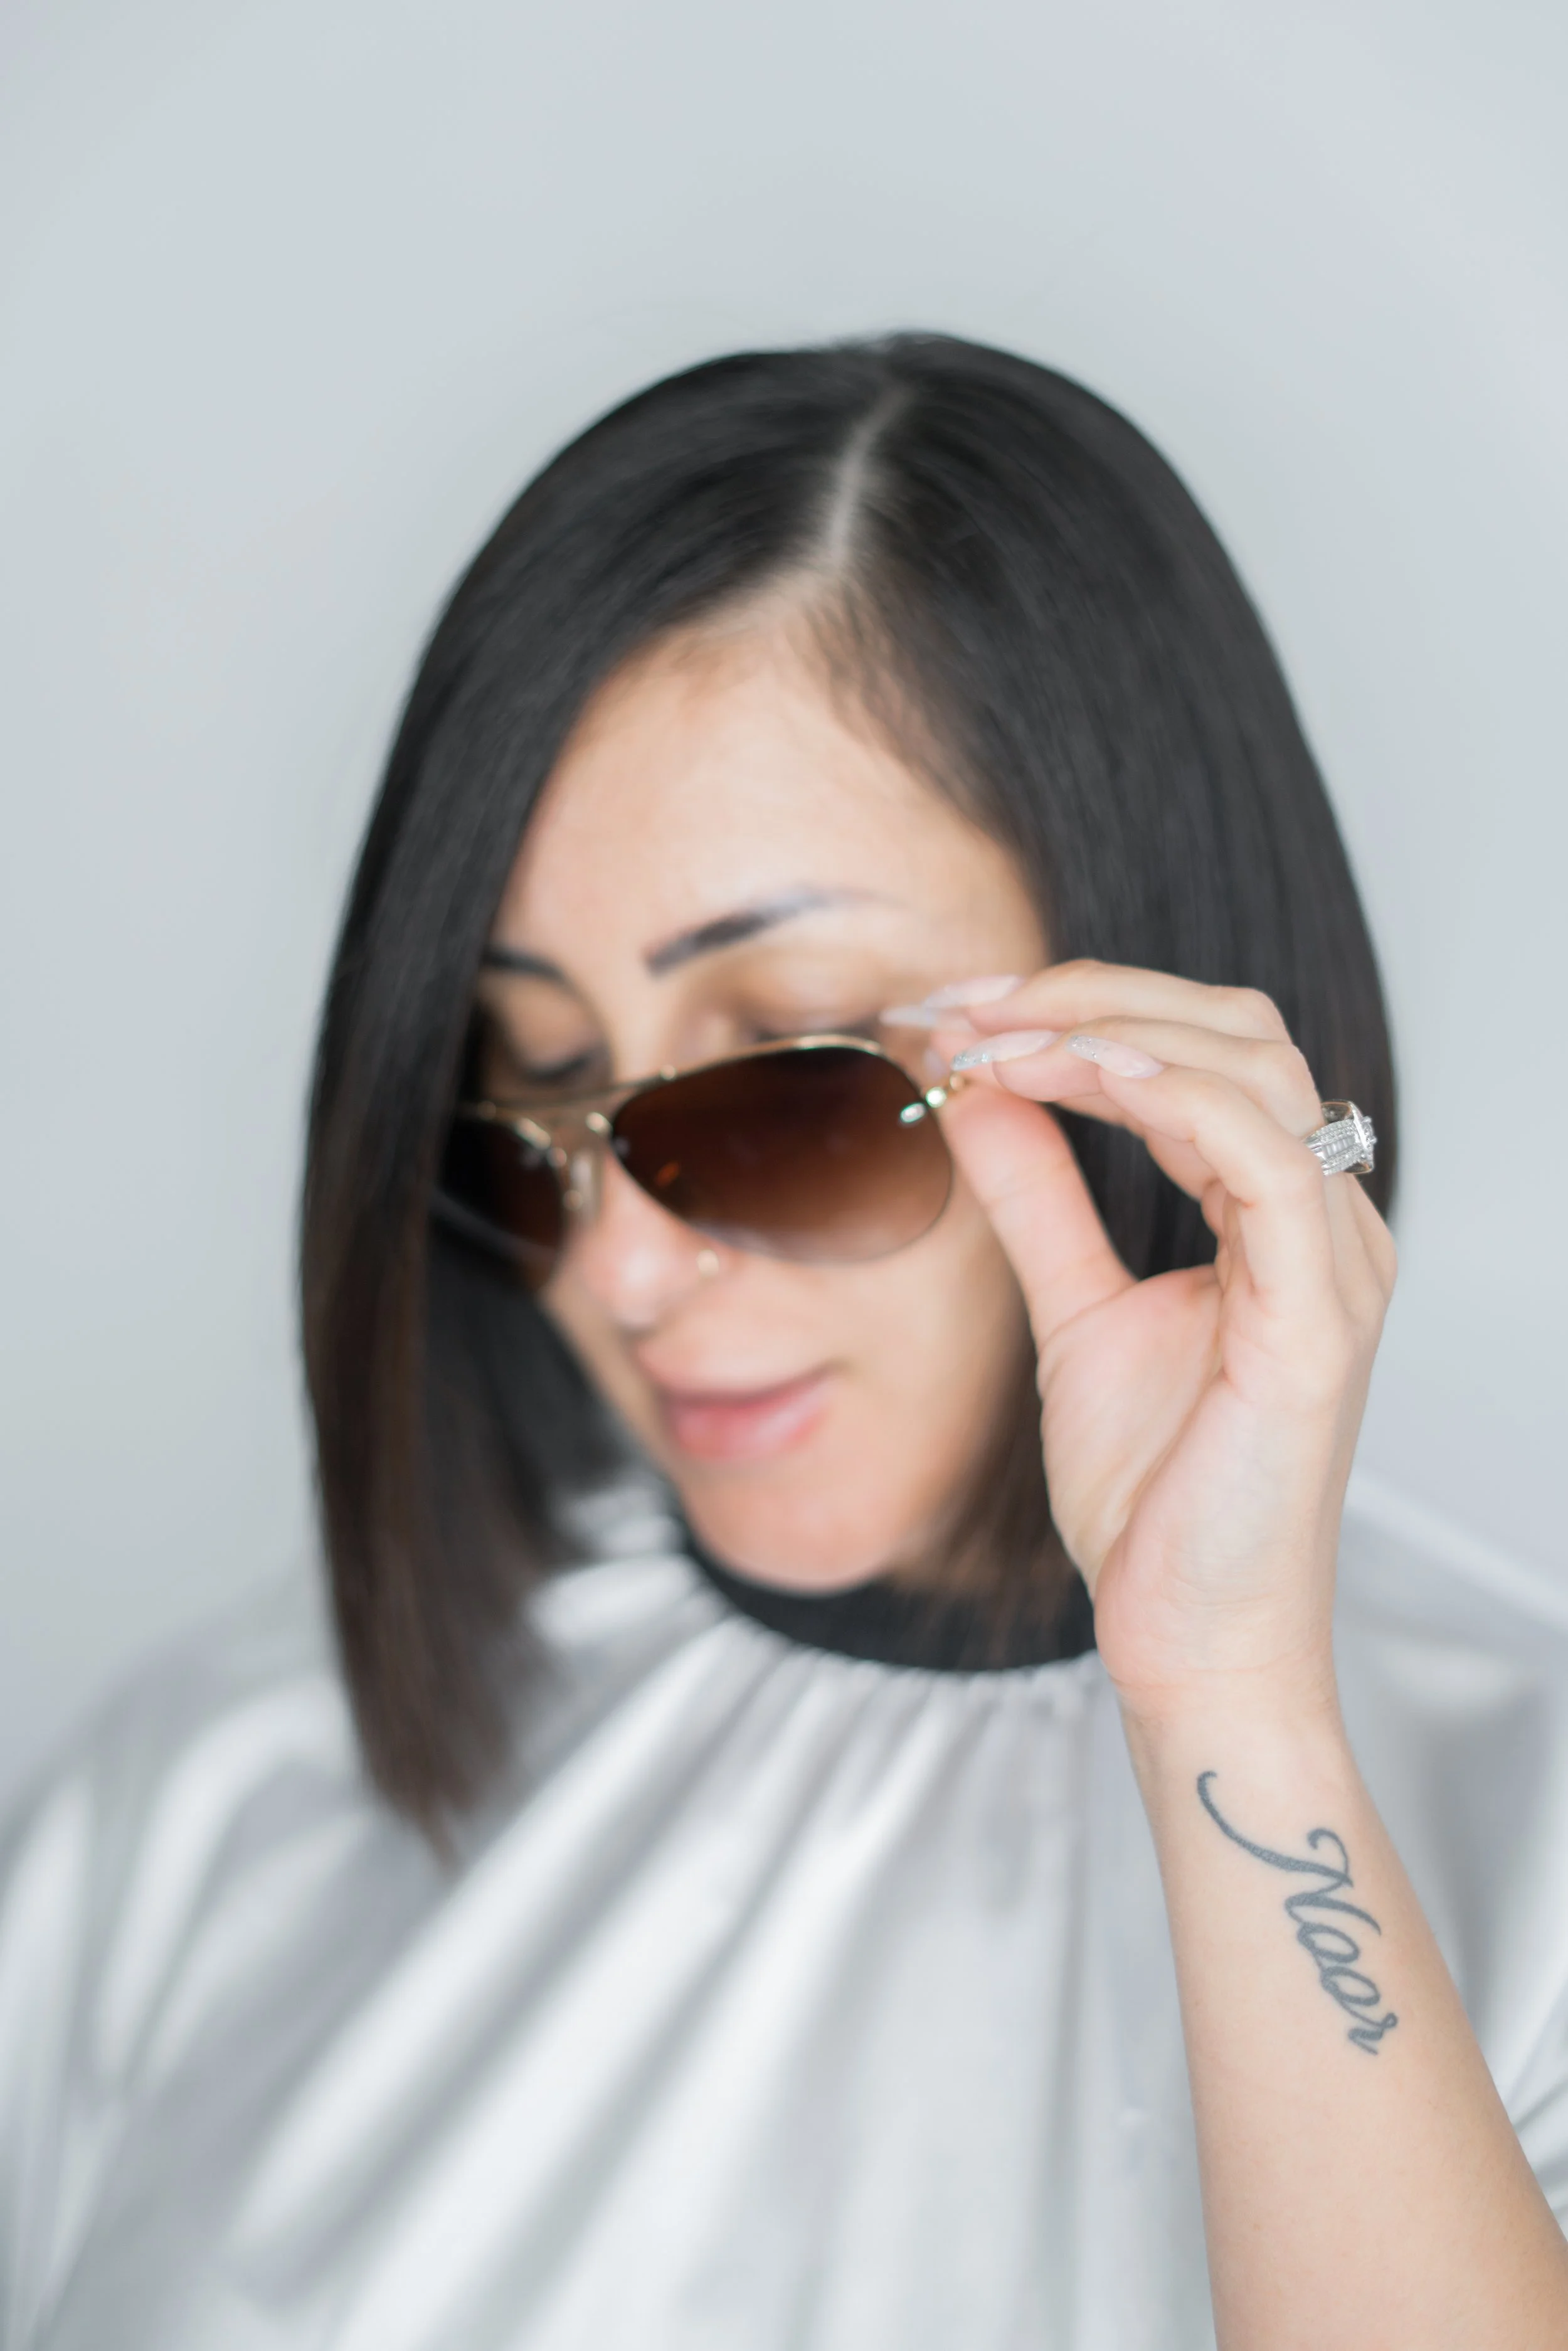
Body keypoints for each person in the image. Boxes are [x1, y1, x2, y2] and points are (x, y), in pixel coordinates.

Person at [3, 334, 1568, 2351]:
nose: (622, 1273)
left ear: (1142, 1035)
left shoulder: (1525, 1859)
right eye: (532, 1104)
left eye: (782, 1098)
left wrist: (1226, 1695)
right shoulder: (220, 1795)